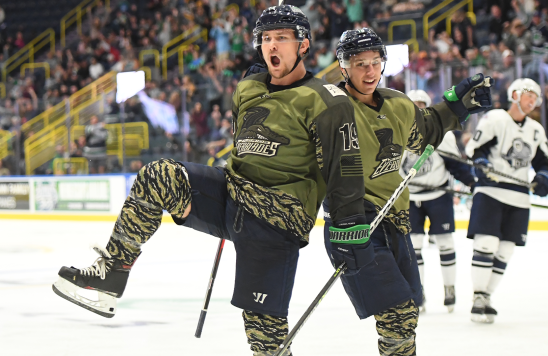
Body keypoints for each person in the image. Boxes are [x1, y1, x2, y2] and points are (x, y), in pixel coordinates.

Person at [53, 6, 369, 355]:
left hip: (278, 214)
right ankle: (112, 272)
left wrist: (348, 225)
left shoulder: (327, 100)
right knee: (159, 176)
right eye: (266, 39)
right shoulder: (248, 86)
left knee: (264, 339)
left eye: (282, 38)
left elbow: (345, 169)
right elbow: (242, 139)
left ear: (304, 45)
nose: (272, 46)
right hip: (233, 195)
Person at [322, 28, 493, 355]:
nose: (370, 71)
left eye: (375, 62)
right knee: (397, 312)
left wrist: (455, 106)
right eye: (360, 64)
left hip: (395, 220)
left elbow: (426, 132)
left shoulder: (397, 104)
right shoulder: (328, 107)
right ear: (343, 67)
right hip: (353, 225)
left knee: (407, 311)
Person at [465, 78, 548, 323]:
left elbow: (545, 162)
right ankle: (478, 297)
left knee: (505, 250)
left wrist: (545, 177)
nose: (533, 101)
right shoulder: (495, 119)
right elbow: (476, 149)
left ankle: (487, 297)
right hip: (490, 191)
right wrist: (481, 164)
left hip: (519, 197)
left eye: (536, 97)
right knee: (486, 244)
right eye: (529, 95)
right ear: (515, 94)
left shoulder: (536, 130)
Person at [400, 89, 476, 314]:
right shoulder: (398, 131)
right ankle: (418, 290)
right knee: (414, 246)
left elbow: (455, 164)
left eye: (421, 104)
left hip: (439, 196)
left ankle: (449, 288)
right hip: (411, 198)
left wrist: (473, 182)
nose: (418, 108)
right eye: (413, 104)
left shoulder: (443, 132)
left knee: (445, 243)